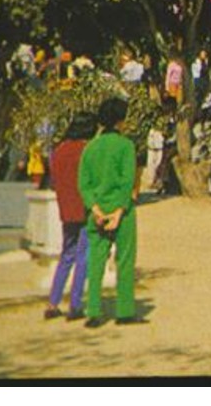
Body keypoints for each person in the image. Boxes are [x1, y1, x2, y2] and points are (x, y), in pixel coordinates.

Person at [79, 97, 144, 326]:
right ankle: (124, 310)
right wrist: (118, 212)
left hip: (96, 209)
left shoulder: (90, 147)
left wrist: (95, 208)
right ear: (120, 120)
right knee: (124, 259)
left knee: (95, 260)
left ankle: (93, 310)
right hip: (122, 211)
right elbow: (128, 182)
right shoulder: (126, 146)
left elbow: (83, 183)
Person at [44, 116, 95, 321]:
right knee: (83, 257)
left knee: (67, 255)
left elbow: (54, 181)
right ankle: (75, 304)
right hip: (83, 208)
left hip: (66, 209)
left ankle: (53, 302)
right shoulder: (86, 151)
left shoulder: (58, 151)